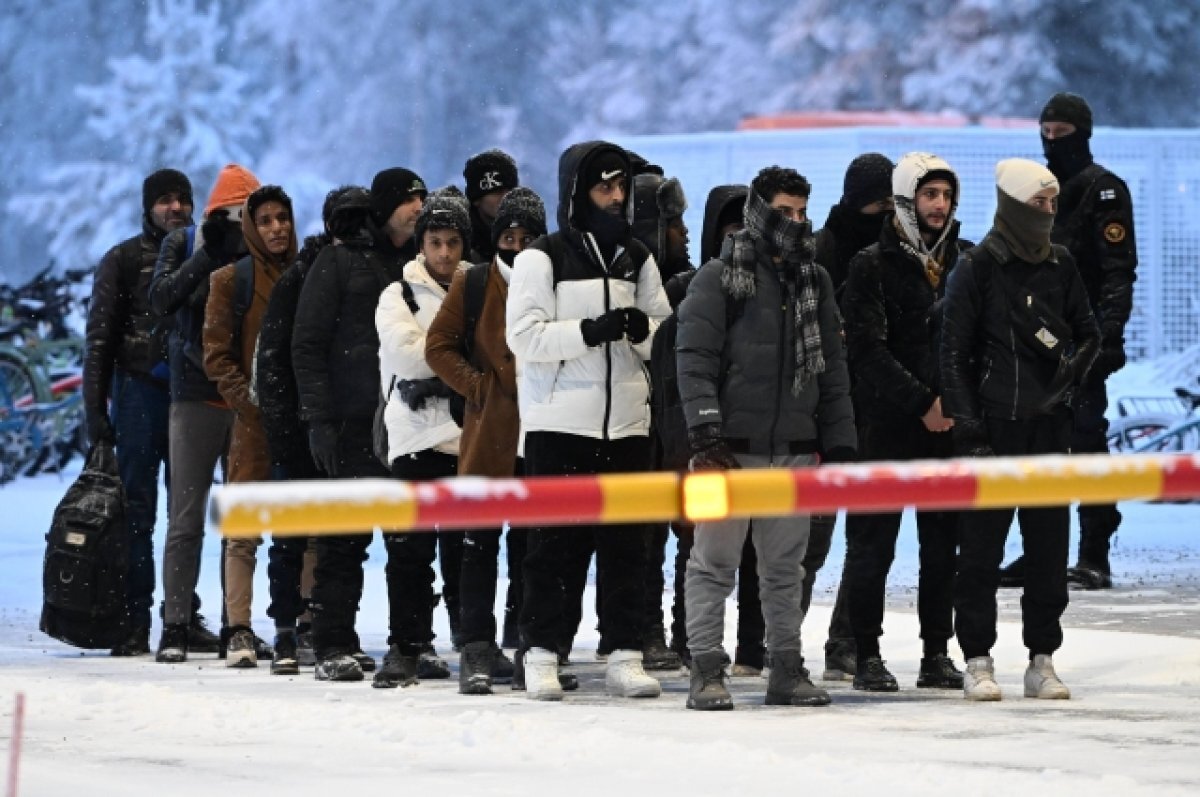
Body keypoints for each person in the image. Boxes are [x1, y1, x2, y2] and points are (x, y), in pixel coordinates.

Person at [677, 166, 856, 710]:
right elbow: (695, 359)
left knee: (786, 569)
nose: (796, 223)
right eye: (785, 211)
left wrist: (840, 442)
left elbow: (832, 369)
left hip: (794, 449)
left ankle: (785, 667)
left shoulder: (814, 279)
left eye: (803, 213)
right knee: (712, 564)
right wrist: (705, 432)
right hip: (725, 449)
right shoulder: (718, 276)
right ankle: (707, 668)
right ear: (759, 209)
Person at [506, 141, 671, 701]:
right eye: (605, 187)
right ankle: (542, 653)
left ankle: (624, 653)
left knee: (629, 547)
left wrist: (639, 330)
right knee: (553, 548)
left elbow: (665, 338)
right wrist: (590, 330)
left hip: (627, 424)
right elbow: (523, 337)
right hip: (558, 425)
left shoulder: (639, 257)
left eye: (622, 186)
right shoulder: (541, 258)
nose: (617, 197)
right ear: (578, 191)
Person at [941, 158, 1099, 701]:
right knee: (980, 552)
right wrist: (970, 430)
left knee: (1049, 550)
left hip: (1049, 433)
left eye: (1053, 203)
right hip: (993, 432)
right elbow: (953, 354)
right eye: (1039, 204)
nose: (1049, 213)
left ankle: (1042, 658)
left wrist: (1067, 388)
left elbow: (1089, 334)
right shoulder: (977, 267)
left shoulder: (1062, 264)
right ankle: (978, 659)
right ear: (1012, 204)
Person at [998, 93, 1138, 592]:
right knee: (1039, 446)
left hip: (1085, 341)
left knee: (1086, 441)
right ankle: (1042, 552)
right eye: (1047, 131)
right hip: (1038, 344)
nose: (1052, 140)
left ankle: (1094, 553)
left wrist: (1106, 339)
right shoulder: (1041, 191)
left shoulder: (1103, 191)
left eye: (1062, 132)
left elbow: (1117, 273)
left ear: (1082, 132)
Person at [839, 152, 968, 692]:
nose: (939, 205)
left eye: (946, 195)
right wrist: (922, 403)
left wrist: (953, 405)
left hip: (950, 429)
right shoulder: (870, 264)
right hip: (887, 427)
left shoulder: (968, 259)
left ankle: (936, 653)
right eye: (929, 194)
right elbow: (866, 351)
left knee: (943, 549)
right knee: (873, 546)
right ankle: (865, 652)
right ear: (906, 198)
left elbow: (974, 345)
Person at [292, 167, 427, 681]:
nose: (418, 206)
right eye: (408, 200)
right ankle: (332, 643)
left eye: (421, 198)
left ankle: (409, 643)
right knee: (344, 540)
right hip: (350, 420)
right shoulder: (338, 259)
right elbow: (307, 345)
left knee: (407, 543)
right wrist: (318, 419)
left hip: (404, 420)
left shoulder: (415, 264)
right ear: (385, 206)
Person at [425, 186, 547, 694]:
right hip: (490, 434)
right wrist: (478, 388)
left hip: (541, 431)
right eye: (508, 236)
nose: (516, 246)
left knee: (531, 548)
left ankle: (526, 645)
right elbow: (437, 346)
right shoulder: (474, 281)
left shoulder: (553, 279)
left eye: (526, 237)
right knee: (478, 544)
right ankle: (476, 646)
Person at [150, 163, 260, 663]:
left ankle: (236, 623)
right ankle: (175, 624)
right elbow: (164, 299)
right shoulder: (185, 243)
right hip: (194, 394)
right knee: (185, 517)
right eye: (230, 213)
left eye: (245, 213)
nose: (238, 222)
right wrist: (211, 253)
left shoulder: (259, 248)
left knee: (239, 518)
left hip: (243, 397)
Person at [82, 168, 195, 656]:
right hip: (138, 395)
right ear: (148, 206)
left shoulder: (202, 254)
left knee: (185, 515)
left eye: (182, 199)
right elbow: (99, 342)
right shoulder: (123, 258)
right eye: (165, 200)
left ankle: (181, 617)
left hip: (191, 396)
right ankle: (133, 620)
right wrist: (95, 412)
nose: (174, 208)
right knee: (137, 513)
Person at [371, 188, 474, 688]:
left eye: (454, 242)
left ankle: (474, 642)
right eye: (436, 241)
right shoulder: (398, 294)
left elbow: (495, 354)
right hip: (414, 439)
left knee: (467, 551)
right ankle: (406, 646)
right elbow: (403, 355)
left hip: (466, 437)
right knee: (409, 552)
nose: (445, 253)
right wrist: (457, 363)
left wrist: (436, 371)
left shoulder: (482, 288)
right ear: (422, 245)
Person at [255, 186, 357, 672]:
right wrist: (284, 426)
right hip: (298, 424)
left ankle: (318, 621)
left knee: (331, 532)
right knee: (291, 534)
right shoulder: (300, 277)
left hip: (335, 422)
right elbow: (275, 358)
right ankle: (283, 629)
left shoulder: (361, 270)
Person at [202, 184, 298, 668]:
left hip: (300, 423)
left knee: (305, 523)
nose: (277, 228)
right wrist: (247, 403)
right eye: (265, 220)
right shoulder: (230, 279)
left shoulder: (310, 273)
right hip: (253, 424)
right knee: (243, 530)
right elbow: (216, 354)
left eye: (283, 218)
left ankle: (301, 625)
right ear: (250, 227)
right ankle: (238, 628)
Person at [812, 152, 895, 681]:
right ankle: (777, 641)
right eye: (877, 201)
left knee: (867, 544)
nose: (884, 212)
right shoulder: (823, 251)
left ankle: (844, 638)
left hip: (878, 408)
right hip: (825, 410)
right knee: (810, 538)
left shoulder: (891, 254)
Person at [629, 170, 690, 671]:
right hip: (639, 417)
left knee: (691, 533)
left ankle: (688, 630)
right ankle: (645, 629)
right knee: (643, 537)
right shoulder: (629, 278)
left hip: (683, 420)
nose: (683, 232)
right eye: (674, 222)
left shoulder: (695, 283)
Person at [463, 149, 519, 264]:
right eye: (497, 192)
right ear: (476, 199)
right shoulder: (459, 245)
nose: (506, 198)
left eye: (510, 191)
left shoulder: (531, 233)